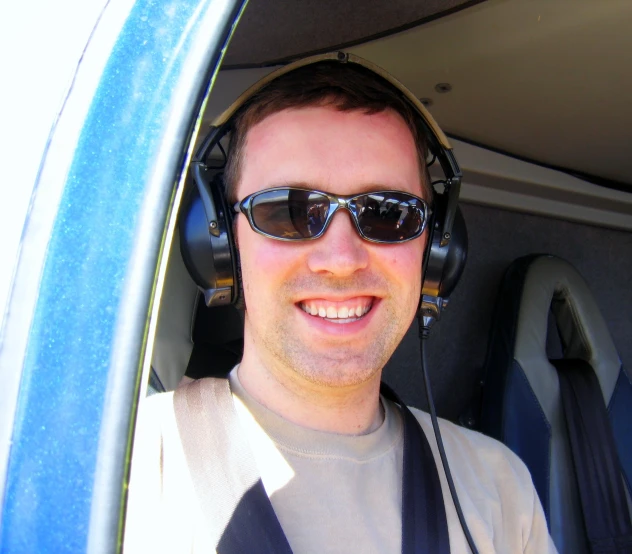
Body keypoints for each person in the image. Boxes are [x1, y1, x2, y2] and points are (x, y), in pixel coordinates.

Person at [124, 54, 557, 554]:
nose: (341, 259)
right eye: (289, 211)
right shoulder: (117, 471)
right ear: (220, 246)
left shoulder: (499, 489)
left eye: (387, 213)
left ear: (436, 252)